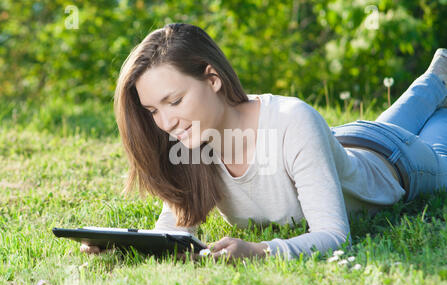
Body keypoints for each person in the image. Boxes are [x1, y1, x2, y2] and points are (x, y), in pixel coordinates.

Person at [81, 23, 447, 261]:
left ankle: (436, 82)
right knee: (383, 123)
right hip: (340, 143)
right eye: (152, 111)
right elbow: (173, 233)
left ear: (212, 80)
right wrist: (123, 245)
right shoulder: (189, 142)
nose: (166, 122)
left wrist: (261, 251)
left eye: (174, 101)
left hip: (396, 162)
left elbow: (335, 236)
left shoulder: (292, 119)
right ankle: (435, 82)